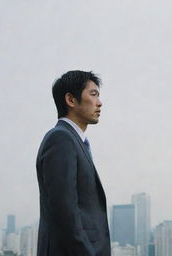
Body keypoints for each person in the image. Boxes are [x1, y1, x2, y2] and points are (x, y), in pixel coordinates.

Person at [36, 70, 111, 256]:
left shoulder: (74, 140)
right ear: (71, 100)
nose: (99, 103)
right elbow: (64, 212)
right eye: (93, 94)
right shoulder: (61, 139)